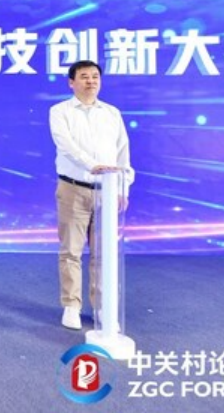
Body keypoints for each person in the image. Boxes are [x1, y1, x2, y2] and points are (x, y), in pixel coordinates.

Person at [49, 60, 133, 330]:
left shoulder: (111, 113)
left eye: (95, 76)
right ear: (71, 82)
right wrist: (92, 165)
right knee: (71, 251)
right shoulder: (59, 111)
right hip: (73, 187)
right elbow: (66, 145)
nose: (91, 81)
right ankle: (71, 305)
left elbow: (122, 152)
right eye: (84, 76)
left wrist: (122, 186)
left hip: (107, 190)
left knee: (103, 253)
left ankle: (102, 307)